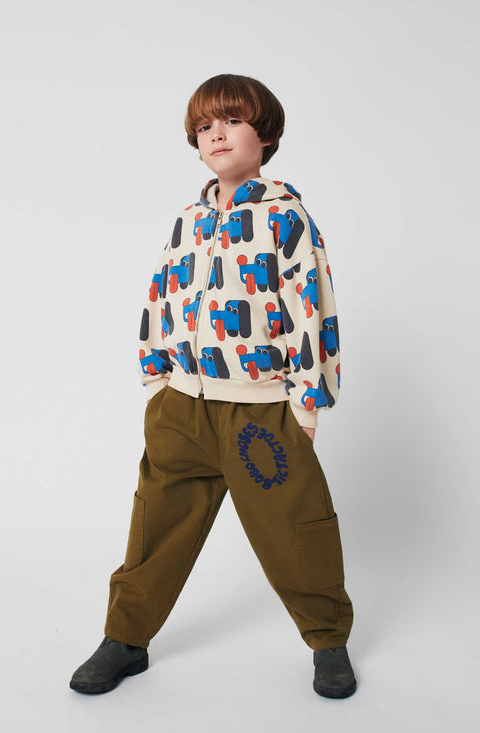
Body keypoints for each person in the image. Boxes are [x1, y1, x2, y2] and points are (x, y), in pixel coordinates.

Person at [70, 73, 356, 699]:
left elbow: (311, 308)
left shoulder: (286, 218)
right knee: (155, 526)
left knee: (295, 527)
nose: (216, 134)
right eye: (204, 126)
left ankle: (328, 641)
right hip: (181, 408)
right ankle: (126, 638)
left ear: (265, 134)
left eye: (231, 120)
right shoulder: (189, 220)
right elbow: (161, 297)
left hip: (259, 413)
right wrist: (156, 381)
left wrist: (307, 405)